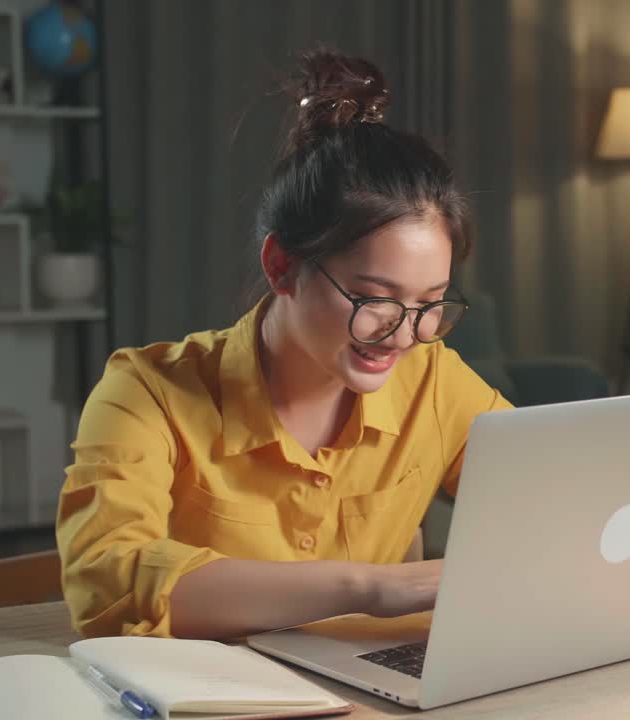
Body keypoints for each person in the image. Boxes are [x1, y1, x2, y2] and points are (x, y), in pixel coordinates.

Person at [56, 49, 512, 640]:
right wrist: (371, 587)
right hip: (211, 684)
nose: (405, 334)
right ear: (281, 265)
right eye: (374, 299)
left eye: (431, 303)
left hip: (369, 681)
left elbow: (553, 496)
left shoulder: (433, 380)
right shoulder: (147, 393)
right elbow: (108, 581)